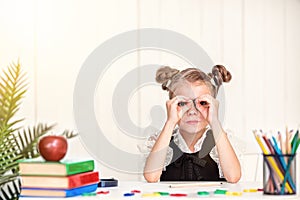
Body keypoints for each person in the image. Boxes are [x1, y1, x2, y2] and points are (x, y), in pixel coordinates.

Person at [143, 65, 241, 183]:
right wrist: (170, 122)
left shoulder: (220, 141)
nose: (192, 111)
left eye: (203, 102)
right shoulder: (162, 141)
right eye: (183, 103)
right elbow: (151, 177)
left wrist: (214, 121)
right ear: (172, 106)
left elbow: (233, 177)